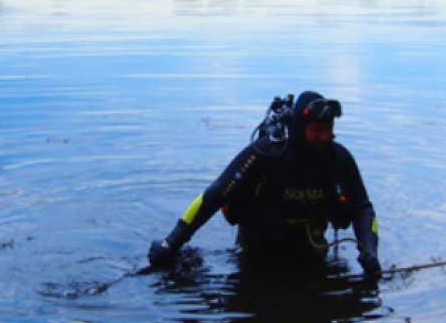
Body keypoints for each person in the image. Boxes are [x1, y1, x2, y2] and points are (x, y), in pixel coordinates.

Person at [149, 91, 381, 277]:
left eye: (329, 129)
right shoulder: (265, 154)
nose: (325, 137)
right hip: (257, 253)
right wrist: (171, 243)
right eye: (317, 130)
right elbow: (216, 195)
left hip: (310, 253)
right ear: (299, 129)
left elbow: (362, 207)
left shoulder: (339, 159)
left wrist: (369, 250)